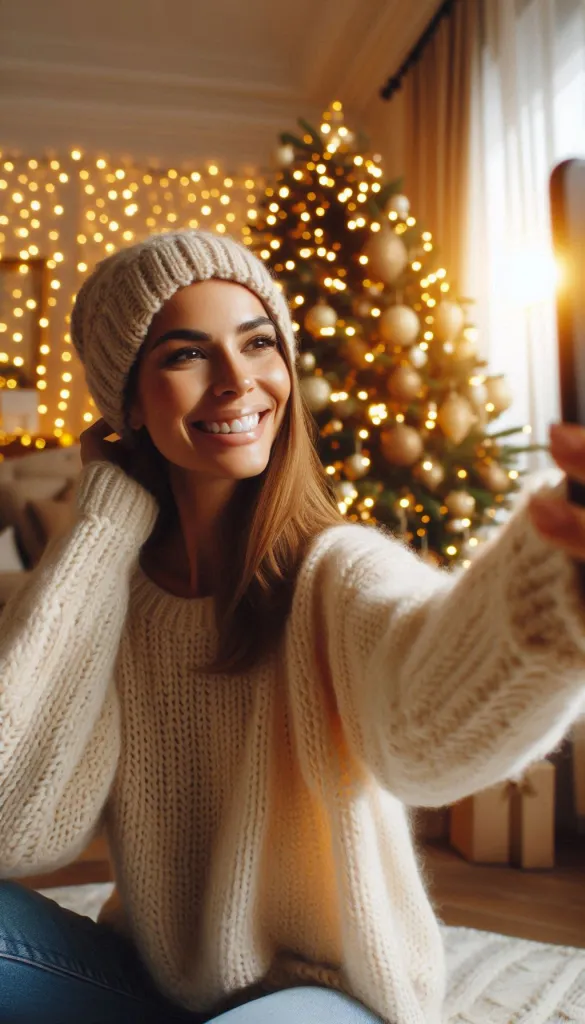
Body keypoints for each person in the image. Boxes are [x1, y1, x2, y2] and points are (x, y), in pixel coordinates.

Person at [1, 229, 584, 1024]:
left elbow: (425, 734)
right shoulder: (111, 597)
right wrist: (101, 526)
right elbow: (18, 825)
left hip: (318, 995)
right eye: (185, 354)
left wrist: (555, 573)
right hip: (146, 983)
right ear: (127, 402)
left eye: (258, 343)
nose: (238, 381)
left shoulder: (335, 567)